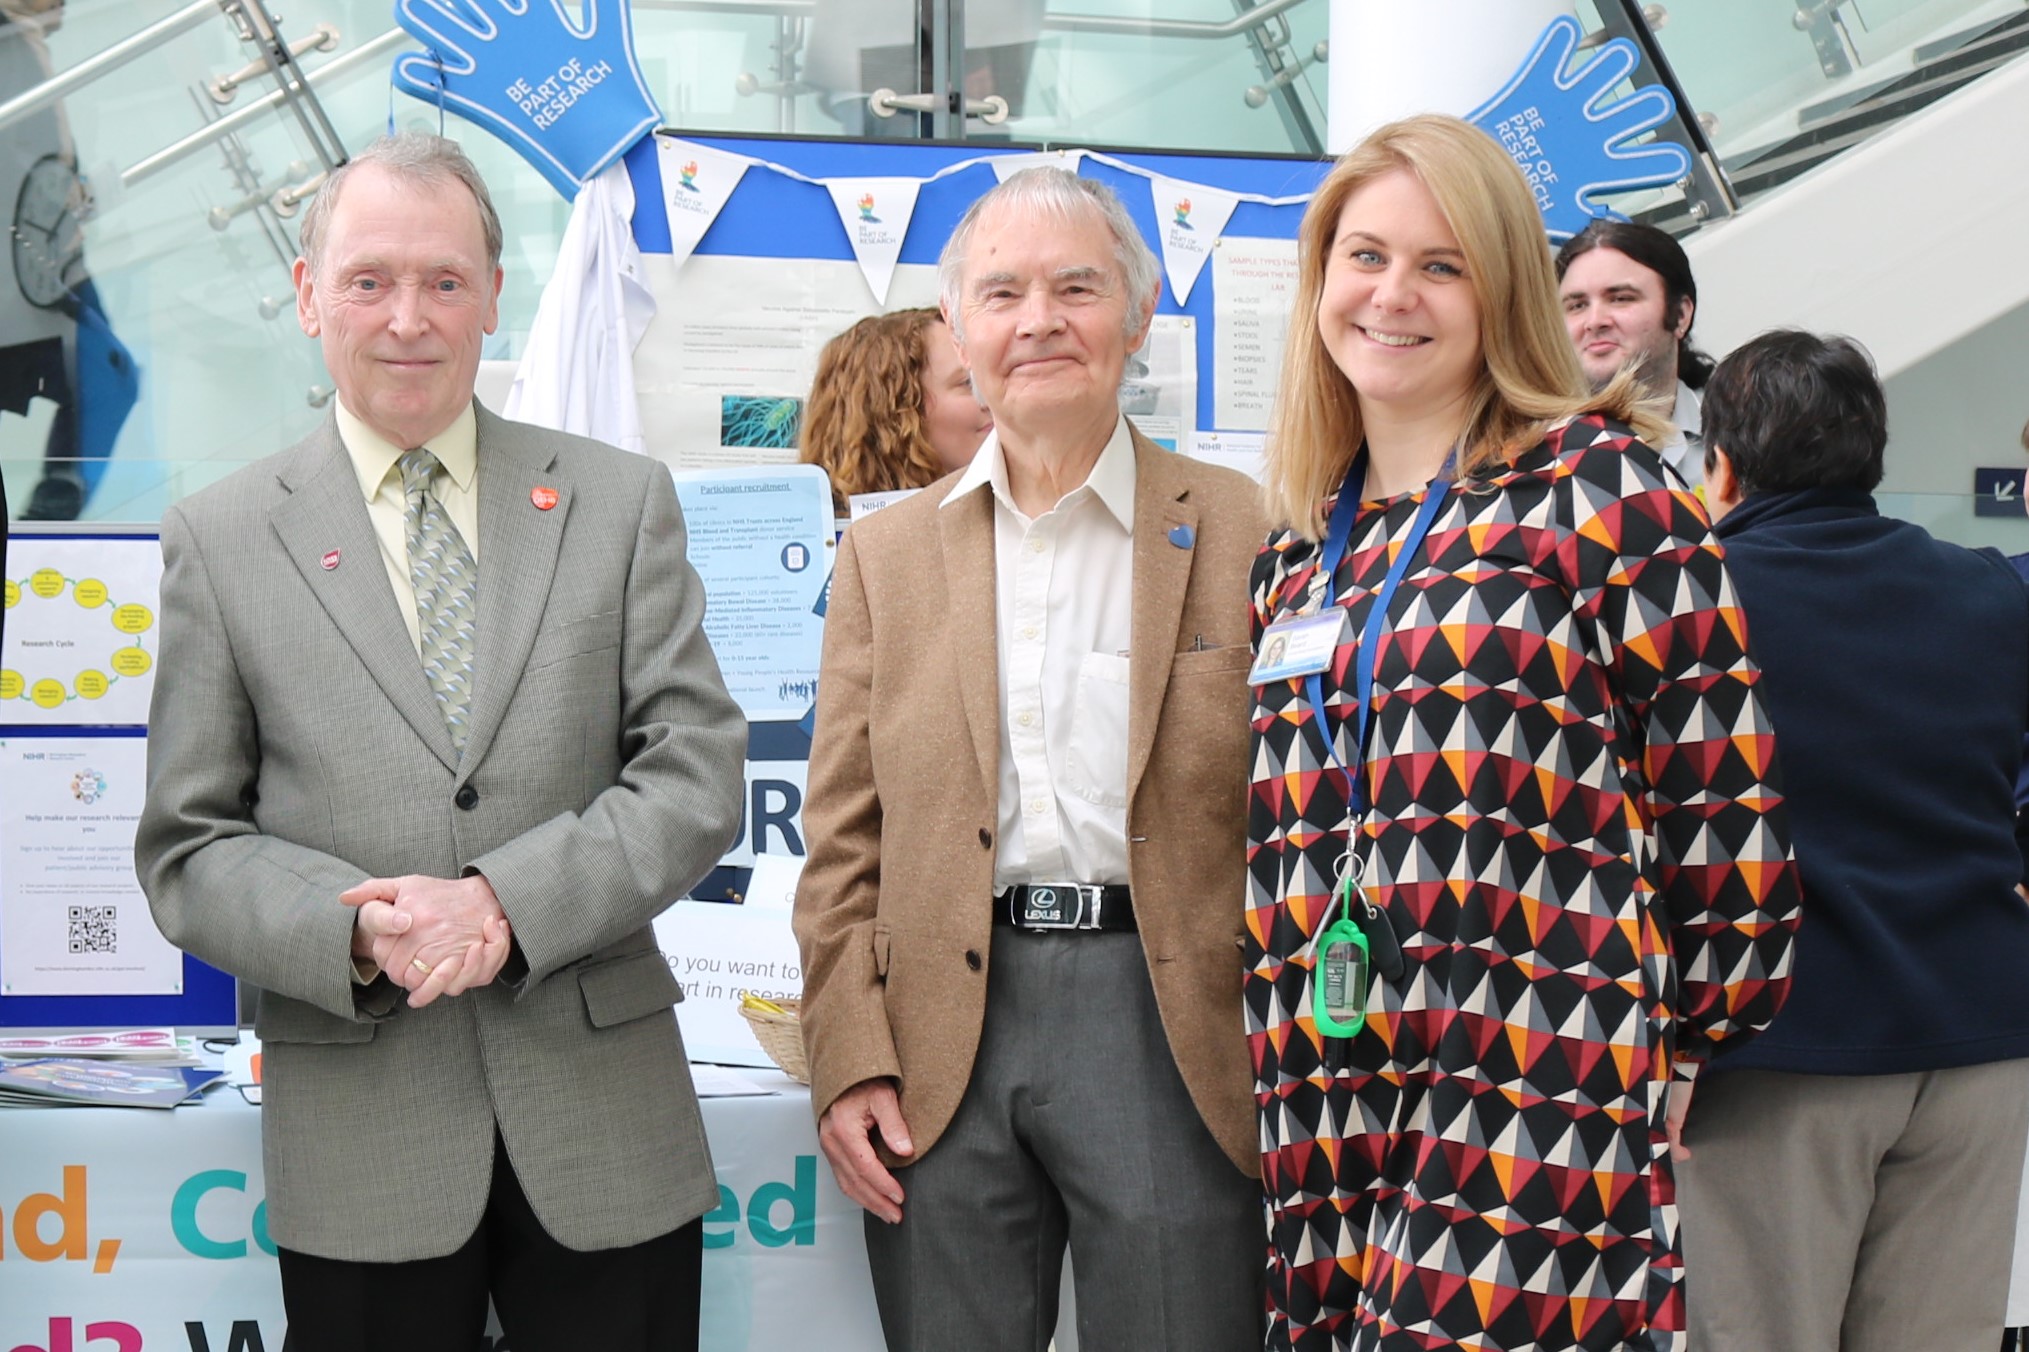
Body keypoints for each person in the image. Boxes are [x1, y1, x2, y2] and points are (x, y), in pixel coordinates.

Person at [133, 133, 747, 1352]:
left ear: (492, 296)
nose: (407, 317)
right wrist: (354, 930)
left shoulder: (618, 503)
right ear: (310, 295)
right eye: (369, 280)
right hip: (366, 1135)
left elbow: (694, 770)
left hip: (604, 1129)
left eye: (444, 280)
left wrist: (504, 901)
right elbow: (188, 848)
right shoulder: (220, 537)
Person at [1247, 113, 1801, 1352]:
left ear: (1500, 290)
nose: (1392, 294)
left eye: (1440, 265)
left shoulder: (1601, 490)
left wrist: (1686, 1038)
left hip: (1528, 1065)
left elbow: (1719, 792)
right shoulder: (1296, 547)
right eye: (1365, 256)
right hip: (1323, 1077)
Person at [794, 166, 1267, 1350]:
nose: (1038, 321)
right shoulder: (887, 557)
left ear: (1137, 315)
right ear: (959, 329)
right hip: (941, 1037)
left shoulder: (1250, 529)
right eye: (1002, 293)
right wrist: (846, 1052)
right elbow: (841, 836)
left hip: (1173, 1024)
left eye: (1076, 288)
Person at [1675, 330, 2029, 1352]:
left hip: (1779, 1048)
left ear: (1720, 465)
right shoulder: (1991, 589)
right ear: (1871, 455)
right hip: (1981, 1037)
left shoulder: (1698, 600)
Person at [1555, 219, 1713, 484]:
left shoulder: (1743, 426)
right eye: (1577, 305)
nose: (1595, 321)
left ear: (1681, 315)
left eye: (1620, 299)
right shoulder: (1537, 460)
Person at [799, 306, 991, 515]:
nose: (994, 397)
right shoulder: (828, 531)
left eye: (989, 377)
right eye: (968, 383)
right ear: (897, 414)